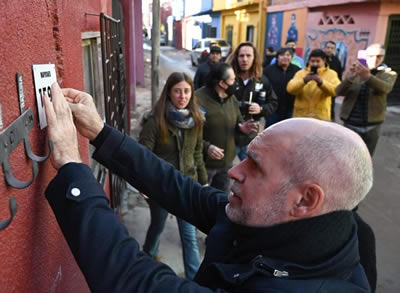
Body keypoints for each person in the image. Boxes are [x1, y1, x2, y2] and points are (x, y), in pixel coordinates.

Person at [44, 83, 373, 292]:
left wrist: (73, 167)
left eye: (255, 165)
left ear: (305, 200)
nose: (234, 171)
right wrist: (101, 132)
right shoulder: (270, 218)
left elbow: (134, 281)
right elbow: (179, 189)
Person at [139, 72, 205, 279]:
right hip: (161, 187)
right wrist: (143, 184)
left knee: (189, 236)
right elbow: (142, 154)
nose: (182, 96)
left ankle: (194, 281)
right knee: (157, 227)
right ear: (169, 93)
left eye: (186, 91)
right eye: (177, 91)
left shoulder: (196, 119)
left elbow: (197, 152)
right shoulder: (156, 120)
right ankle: (146, 264)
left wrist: (202, 182)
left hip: (187, 186)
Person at [195, 63, 258, 192]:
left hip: (227, 164)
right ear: (222, 83)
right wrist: (207, 148)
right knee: (200, 204)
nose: (236, 83)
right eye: (233, 80)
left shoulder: (231, 98)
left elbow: (238, 122)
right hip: (204, 166)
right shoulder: (198, 100)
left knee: (221, 202)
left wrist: (243, 129)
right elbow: (190, 136)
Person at [337, 43, 398, 156]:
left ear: (383, 57)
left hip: (372, 126)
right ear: (365, 56)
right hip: (350, 124)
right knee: (347, 156)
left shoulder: (389, 73)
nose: (375, 59)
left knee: (366, 158)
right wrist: (350, 78)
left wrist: (367, 77)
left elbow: (385, 88)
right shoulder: (356, 70)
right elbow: (338, 92)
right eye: (371, 56)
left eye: (379, 56)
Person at [226, 41, 278, 160]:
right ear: (236, 58)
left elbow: (273, 103)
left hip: (250, 137)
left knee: (251, 174)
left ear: (254, 58)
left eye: (248, 56)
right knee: (225, 173)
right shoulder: (228, 79)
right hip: (228, 134)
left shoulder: (261, 80)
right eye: (241, 56)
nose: (245, 59)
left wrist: (261, 108)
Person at [287, 49, 340, 121]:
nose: (315, 64)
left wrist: (321, 83)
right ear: (309, 61)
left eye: (318, 61)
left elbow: (336, 91)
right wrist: (304, 81)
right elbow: (290, 89)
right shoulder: (301, 73)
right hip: (301, 116)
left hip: (320, 117)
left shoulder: (331, 74)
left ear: (324, 61)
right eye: (312, 61)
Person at [263, 47, 301, 127]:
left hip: (290, 109)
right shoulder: (268, 70)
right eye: (282, 55)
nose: (285, 57)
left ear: (291, 57)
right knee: (271, 133)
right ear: (277, 57)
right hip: (273, 110)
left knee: (288, 133)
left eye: (288, 55)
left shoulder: (297, 71)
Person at [323, 40, 344, 121]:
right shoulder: (320, 58)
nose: (329, 50)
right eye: (328, 47)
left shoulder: (336, 60)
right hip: (320, 87)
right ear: (324, 48)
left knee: (331, 107)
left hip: (332, 89)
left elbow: (339, 75)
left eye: (332, 48)